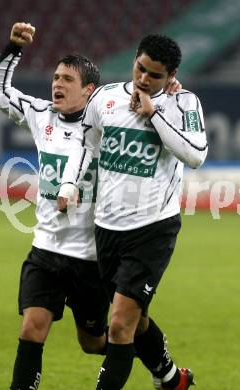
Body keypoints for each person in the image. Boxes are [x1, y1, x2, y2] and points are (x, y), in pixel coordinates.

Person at [58, 33, 208, 390]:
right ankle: (171, 379)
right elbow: (86, 145)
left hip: (153, 229)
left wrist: (154, 114)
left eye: (154, 75)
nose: (143, 79)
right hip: (107, 229)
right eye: (140, 68)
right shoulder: (105, 98)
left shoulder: (183, 103)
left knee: (121, 324)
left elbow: (196, 154)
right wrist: (70, 184)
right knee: (136, 320)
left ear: (171, 76)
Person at [0, 22, 110, 390]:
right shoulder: (41, 114)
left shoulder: (107, 127)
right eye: (56, 77)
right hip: (46, 249)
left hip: (89, 257)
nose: (57, 84)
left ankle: (138, 349)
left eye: (68, 79)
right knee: (31, 328)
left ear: (88, 90)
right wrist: (12, 48)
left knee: (93, 343)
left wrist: (169, 94)